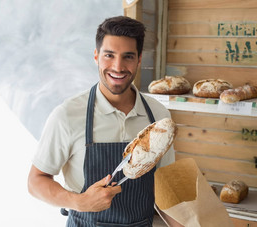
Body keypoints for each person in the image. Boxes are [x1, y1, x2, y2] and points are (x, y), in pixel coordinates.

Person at [28, 16, 175, 226]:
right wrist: (79, 201)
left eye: (128, 57)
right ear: (96, 56)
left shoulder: (159, 116)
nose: (118, 66)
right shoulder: (68, 115)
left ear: (139, 59)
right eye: (109, 55)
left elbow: (164, 186)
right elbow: (35, 181)